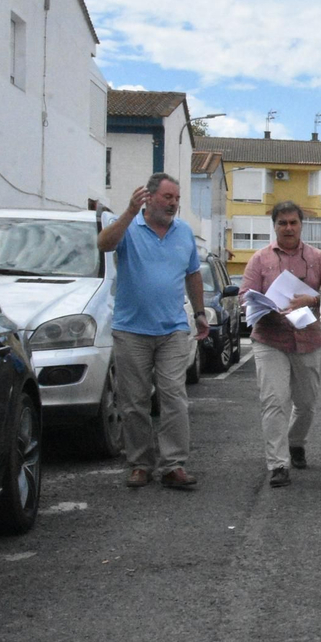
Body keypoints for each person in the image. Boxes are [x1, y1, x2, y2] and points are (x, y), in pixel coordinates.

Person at [96, 172, 206, 491]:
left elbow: (193, 274)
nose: (173, 204)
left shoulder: (183, 232)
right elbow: (103, 244)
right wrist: (129, 212)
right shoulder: (128, 225)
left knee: (174, 396)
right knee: (134, 401)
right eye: (167, 197)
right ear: (149, 197)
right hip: (131, 330)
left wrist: (199, 313)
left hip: (172, 329)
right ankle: (141, 463)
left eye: (176, 198)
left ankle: (173, 465)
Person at [240, 200, 321, 489]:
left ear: (301, 225)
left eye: (293, 222)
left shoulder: (318, 259)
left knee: (306, 404)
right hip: (270, 339)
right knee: (275, 401)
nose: (288, 228)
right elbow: (245, 294)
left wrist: (313, 300)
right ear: (275, 226)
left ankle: (296, 442)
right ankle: (278, 464)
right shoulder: (260, 259)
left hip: (308, 338)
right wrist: (262, 305)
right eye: (282, 223)